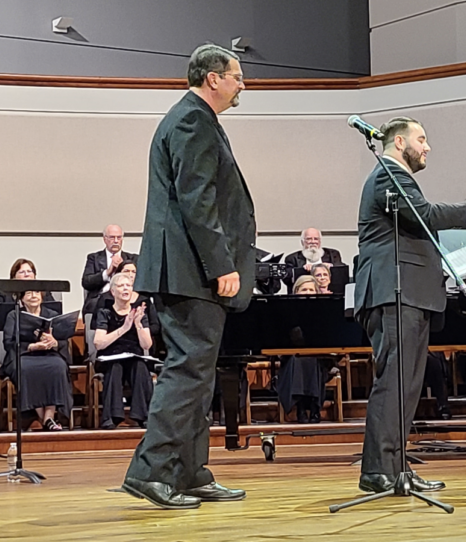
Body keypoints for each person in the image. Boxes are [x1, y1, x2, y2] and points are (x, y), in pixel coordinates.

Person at [123, 44, 256, 510]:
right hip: (190, 270)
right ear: (213, 78)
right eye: (237, 76)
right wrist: (222, 264)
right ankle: (152, 471)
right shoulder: (192, 120)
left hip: (187, 269)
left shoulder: (196, 119)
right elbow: (196, 199)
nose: (243, 84)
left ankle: (191, 472)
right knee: (187, 372)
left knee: (197, 375)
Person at [353, 115, 466, 494]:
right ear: (400, 142)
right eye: (421, 139)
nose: (427, 146)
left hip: (408, 294)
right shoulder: (389, 173)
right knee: (395, 383)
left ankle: (395, 468)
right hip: (395, 292)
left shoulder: (395, 178)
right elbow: (424, 214)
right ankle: (380, 471)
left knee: (405, 386)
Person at [2, 288, 73, 431]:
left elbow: (63, 341)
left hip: (49, 354)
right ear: (21, 298)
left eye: (36, 292)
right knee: (27, 369)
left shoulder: (52, 315)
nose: (33, 296)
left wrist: (54, 342)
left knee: (58, 366)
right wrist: (32, 346)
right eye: (28, 293)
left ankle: (48, 417)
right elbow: (8, 342)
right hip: (23, 355)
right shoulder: (14, 315)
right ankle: (46, 419)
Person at [94, 272, 157, 430]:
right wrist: (124, 328)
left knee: (141, 366)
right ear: (113, 292)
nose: (125, 289)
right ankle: (111, 417)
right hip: (110, 357)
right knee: (115, 368)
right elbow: (99, 343)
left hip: (133, 355)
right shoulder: (105, 312)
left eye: (128, 286)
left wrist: (138, 324)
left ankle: (143, 416)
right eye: (121, 286)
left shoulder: (139, 313)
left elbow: (147, 345)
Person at [276, 276, 332, 423]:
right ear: (296, 292)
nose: (307, 292)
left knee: (311, 359)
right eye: (304, 289)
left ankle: (314, 408)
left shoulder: (324, 312)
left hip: (319, 359)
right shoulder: (287, 312)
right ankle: (301, 408)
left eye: (311, 289)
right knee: (298, 360)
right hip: (292, 359)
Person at [82, 225, 137, 318]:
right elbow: (86, 282)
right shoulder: (94, 258)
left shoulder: (133, 259)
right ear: (104, 239)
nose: (116, 241)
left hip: (126, 299)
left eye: (119, 237)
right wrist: (107, 272)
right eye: (112, 237)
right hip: (100, 299)